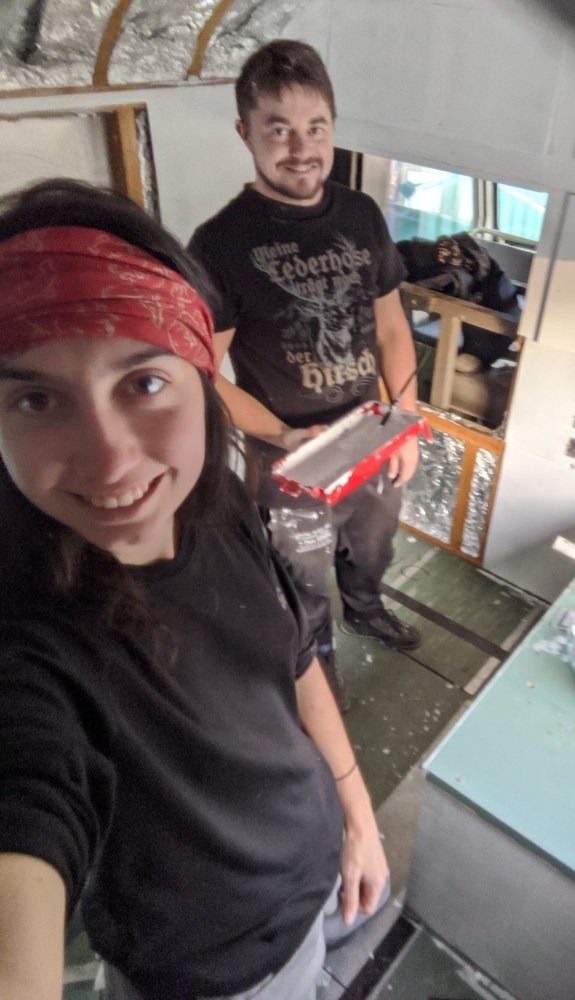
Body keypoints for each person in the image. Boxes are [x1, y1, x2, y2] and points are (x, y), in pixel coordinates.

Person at [0, 178, 388, 1000]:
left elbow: (294, 656)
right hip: (221, 974)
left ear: (201, 378)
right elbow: (27, 799)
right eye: (36, 398)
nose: (111, 463)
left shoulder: (215, 505)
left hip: (320, 863)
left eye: (142, 383)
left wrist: (355, 810)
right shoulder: (28, 640)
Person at [188, 40, 422, 710]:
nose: (301, 149)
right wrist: (283, 436)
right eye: (278, 130)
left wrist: (404, 423)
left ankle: (367, 611)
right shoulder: (220, 243)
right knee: (304, 577)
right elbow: (200, 372)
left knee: (372, 549)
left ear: (333, 127)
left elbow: (391, 327)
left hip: (370, 434)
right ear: (246, 133)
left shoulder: (361, 215)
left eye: (315, 128)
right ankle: (318, 659)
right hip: (289, 461)